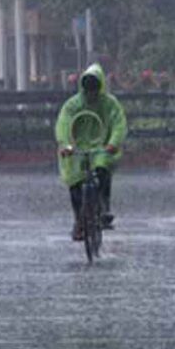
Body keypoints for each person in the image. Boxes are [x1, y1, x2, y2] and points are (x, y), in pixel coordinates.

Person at [55, 63, 127, 241]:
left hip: (101, 147)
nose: (91, 92)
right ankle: (79, 221)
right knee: (74, 184)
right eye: (88, 89)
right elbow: (63, 123)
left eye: (94, 88)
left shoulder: (110, 104)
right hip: (76, 147)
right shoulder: (73, 105)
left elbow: (119, 123)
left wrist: (113, 143)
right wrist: (65, 143)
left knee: (102, 169)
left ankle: (103, 207)